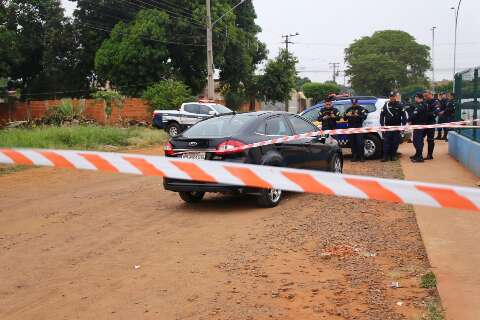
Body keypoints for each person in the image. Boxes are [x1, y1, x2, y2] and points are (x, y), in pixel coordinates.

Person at [380, 92, 407, 162]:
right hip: (388, 127)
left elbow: (404, 116)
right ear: (389, 97)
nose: (392, 98)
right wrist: (382, 126)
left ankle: (393, 156)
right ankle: (385, 156)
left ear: (395, 97)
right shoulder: (386, 105)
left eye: (393, 96)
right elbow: (381, 116)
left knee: (395, 142)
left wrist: (403, 127)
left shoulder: (400, 105)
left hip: (397, 126)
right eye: (391, 96)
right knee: (386, 143)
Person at [410, 93, 431, 163]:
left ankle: (420, 157)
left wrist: (408, 120)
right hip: (417, 125)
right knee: (416, 141)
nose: (414, 99)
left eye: (415, 97)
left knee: (417, 141)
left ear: (418, 97)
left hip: (420, 125)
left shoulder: (422, 105)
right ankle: (417, 154)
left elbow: (414, 114)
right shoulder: (420, 105)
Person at [422, 90, 441, 160]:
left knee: (430, 139)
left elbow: (436, 112)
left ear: (430, 94)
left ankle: (430, 155)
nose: (425, 97)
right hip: (423, 123)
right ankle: (418, 153)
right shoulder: (424, 102)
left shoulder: (436, 102)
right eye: (424, 96)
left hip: (431, 123)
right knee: (420, 138)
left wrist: (427, 115)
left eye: (426, 96)